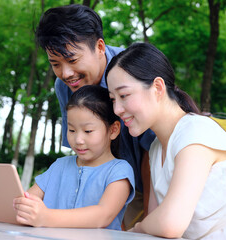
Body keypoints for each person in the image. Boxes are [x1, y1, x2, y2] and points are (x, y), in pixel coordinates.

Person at [106, 42, 226, 239]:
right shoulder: (156, 149)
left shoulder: (195, 131)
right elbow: (157, 221)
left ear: (157, 87)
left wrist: (138, 228)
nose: (117, 110)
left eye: (123, 95)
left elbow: (169, 223)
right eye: (113, 99)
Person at [35, 4, 155, 228]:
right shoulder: (64, 86)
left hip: (145, 182)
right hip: (100, 183)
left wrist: (149, 213)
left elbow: (151, 147)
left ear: (100, 47)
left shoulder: (131, 73)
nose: (66, 74)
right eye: (55, 64)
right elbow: (79, 145)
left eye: (72, 60)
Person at [13, 85, 135, 230]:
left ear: (113, 130)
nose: (78, 139)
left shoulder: (119, 171)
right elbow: (27, 200)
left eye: (88, 131)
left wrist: (45, 217)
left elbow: (102, 216)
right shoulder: (59, 166)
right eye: (71, 130)